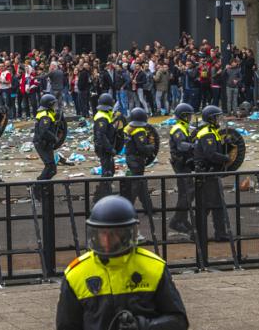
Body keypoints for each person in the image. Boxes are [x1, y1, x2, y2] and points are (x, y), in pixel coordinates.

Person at [55, 195, 189, 330]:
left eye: (114, 234)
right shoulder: (76, 274)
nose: (107, 241)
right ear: (94, 234)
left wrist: (142, 326)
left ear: (128, 234)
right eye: (103, 234)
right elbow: (66, 326)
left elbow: (179, 321)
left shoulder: (154, 268)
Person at [193, 105, 229, 241]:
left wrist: (226, 143)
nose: (219, 119)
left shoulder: (211, 131)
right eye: (216, 117)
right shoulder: (207, 133)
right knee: (211, 205)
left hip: (209, 173)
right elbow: (211, 154)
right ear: (211, 118)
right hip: (207, 173)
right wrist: (225, 158)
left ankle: (213, 233)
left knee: (211, 205)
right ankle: (207, 234)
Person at [120, 108, 157, 219]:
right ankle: (127, 210)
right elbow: (142, 147)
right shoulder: (139, 130)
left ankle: (148, 207)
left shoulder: (128, 128)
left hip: (130, 158)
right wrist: (152, 147)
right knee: (135, 186)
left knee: (140, 184)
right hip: (137, 160)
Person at [168, 103, 195, 234]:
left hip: (183, 164)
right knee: (188, 192)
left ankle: (182, 219)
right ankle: (176, 220)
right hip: (180, 164)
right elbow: (181, 146)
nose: (190, 117)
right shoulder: (178, 129)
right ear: (184, 116)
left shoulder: (183, 127)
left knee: (185, 192)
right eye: (189, 115)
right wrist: (195, 146)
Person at [32, 94, 60, 200]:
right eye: (53, 104)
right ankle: (38, 187)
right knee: (50, 167)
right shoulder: (45, 116)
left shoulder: (47, 113)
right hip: (42, 143)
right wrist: (55, 138)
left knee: (52, 168)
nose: (54, 106)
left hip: (45, 143)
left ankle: (44, 188)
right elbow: (44, 131)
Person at [92, 94, 118, 204]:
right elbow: (101, 136)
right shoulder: (101, 117)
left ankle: (100, 195)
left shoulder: (105, 114)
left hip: (105, 147)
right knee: (107, 172)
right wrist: (110, 148)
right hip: (104, 149)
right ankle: (104, 196)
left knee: (109, 171)